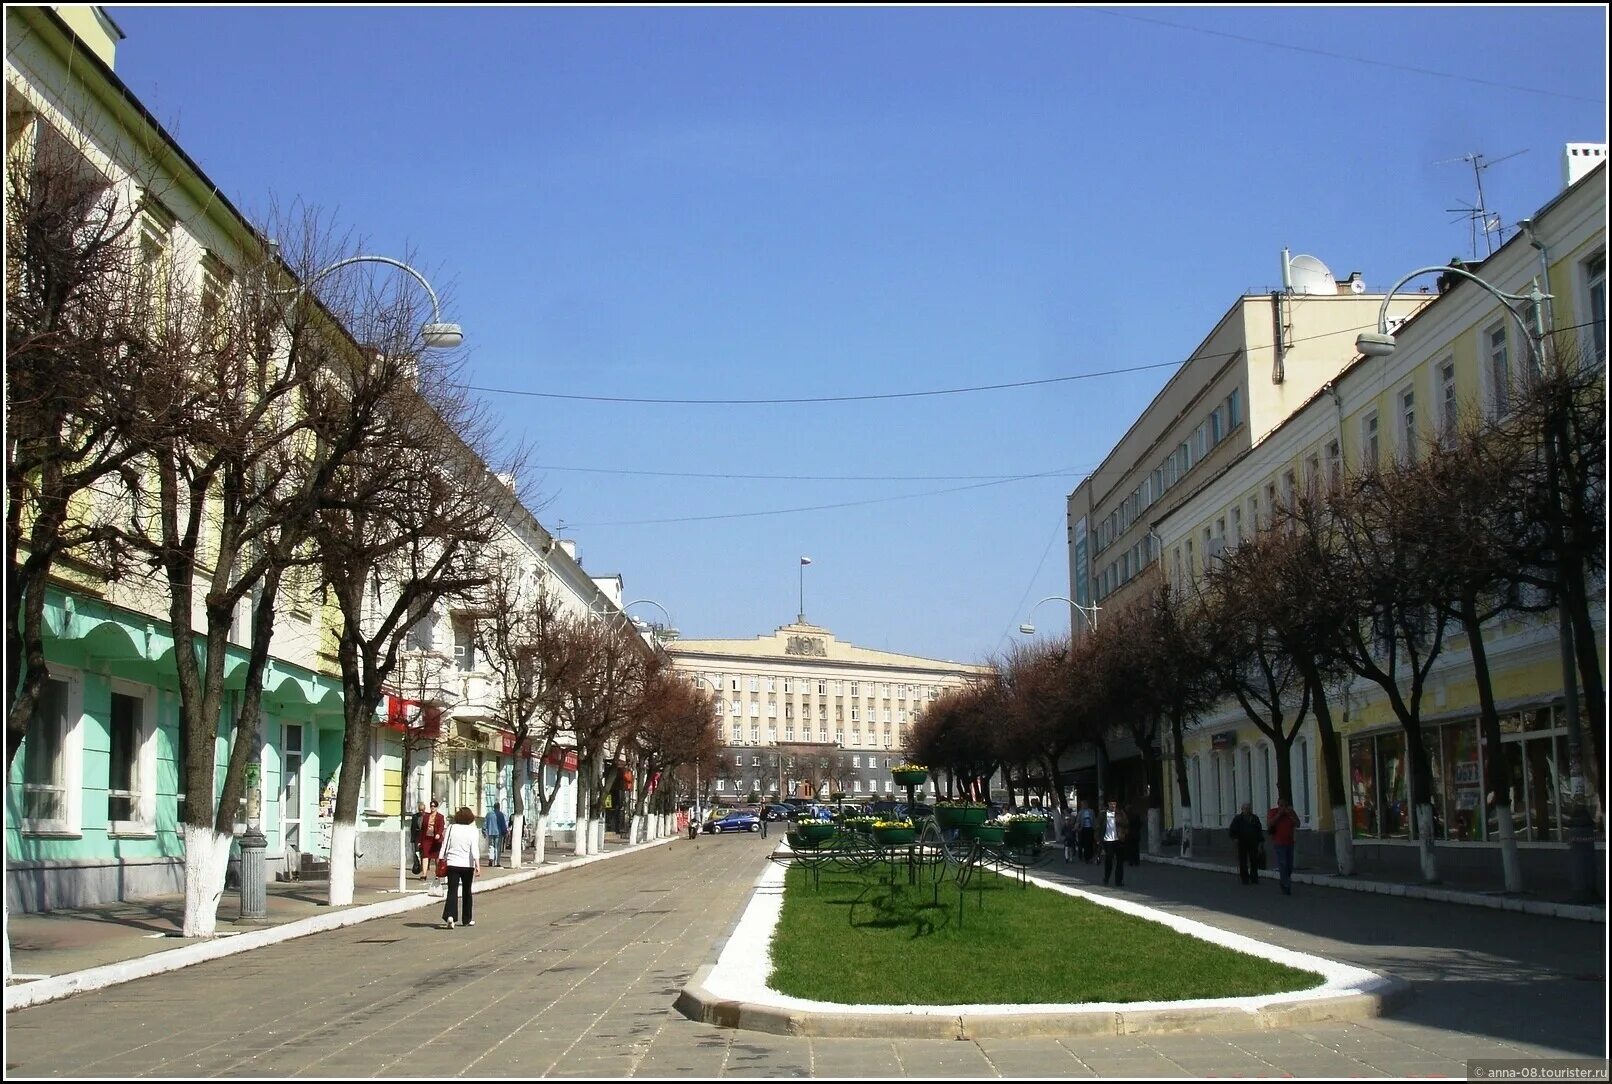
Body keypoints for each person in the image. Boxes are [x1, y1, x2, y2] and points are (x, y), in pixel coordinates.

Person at [440, 806, 481, 929]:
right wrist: (478, 865)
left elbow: (444, 844)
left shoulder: (451, 828)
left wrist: (441, 858)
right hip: (467, 865)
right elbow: (474, 849)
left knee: (452, 890)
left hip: (452, 864)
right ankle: (466, 919)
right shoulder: (473, 830)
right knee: (466, 891)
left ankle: (450, 916)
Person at [1267, 795, 1301, 896]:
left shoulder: (1291, 813)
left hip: (1290, 842)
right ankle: (1286, 886)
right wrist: (1279, 814)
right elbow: (1270, 824)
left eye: (1285, 805)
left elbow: (1298, 824)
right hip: (1279, 843)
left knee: (1289, 866)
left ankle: (1284, 881)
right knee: (1283, 864)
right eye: (1281, 805)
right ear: (1278, 805)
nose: (1283, 807)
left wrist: (1290, 814)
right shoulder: (1273, 812)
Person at [1228, 802, 1264, 885]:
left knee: (1254, 860)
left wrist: (1260, 842)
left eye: (1249, 808)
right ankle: (1244, 878)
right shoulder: (1238, 819)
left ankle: (1254, 877)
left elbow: (1259, 830)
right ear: (1242, 810)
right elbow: (1232, 831)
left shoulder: (1255, 818)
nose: (1248, 810)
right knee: (1242, 861)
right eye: (1246, 809)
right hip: (1242, 842)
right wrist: (1235, 838)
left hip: (1253, 842)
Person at [1101, 797, 1129, 887]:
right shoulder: (1104, 814)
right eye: (1111, 803)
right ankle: (1106, 878)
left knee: (1120, 861)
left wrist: (1119, 824)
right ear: (1108, 804)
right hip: (1108, 841)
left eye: (1114, 804)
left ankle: (1119, 881)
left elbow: (1126, 824)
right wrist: (1098, 838)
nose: (1113, 805)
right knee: (1109, 860)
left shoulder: (1120, 813)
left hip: (1119, 840)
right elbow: (1098, 826)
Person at [419, 799, 446, 892]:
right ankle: (424, 874)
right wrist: (420, 840)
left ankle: (438, 874)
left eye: (434, 806)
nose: (432, 807)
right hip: (426, 838)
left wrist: (438, 833)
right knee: (425, 855)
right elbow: (422, 828)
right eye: (431, 806)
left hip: (436, 839)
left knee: (436, 857)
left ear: (437, 807)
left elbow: (441, 826)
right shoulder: (426, 816)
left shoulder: (440, 817)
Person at [485, 802, 508, 867]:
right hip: (498, 833)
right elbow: (503, 824)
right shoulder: (501, 814)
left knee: (491, 846)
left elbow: (485, 823)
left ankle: (491, 858)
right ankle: (496, 862)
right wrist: (505, 832)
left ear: (494, 807)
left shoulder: (489, 814)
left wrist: (484, 831)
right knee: (497, 847)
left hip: (490, 832)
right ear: (499, 807)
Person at [409, 801, 425, 876]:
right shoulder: (415, 816)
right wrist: (412, 838)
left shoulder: (426, 816)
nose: (421, 811)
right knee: (416, 851)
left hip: (424, 836)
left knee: (424, 852)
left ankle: (424, 866)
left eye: (422, 810)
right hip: (417, 836)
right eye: (420, 810)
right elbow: (412, 827)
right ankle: (417, 865)